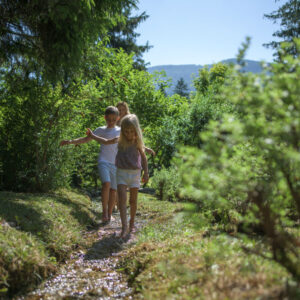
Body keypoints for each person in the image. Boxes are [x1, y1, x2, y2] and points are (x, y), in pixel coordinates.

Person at [60, 106, 120, 223]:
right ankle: (104, 213)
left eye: (114, 119)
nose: (111, 122)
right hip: (103, 161)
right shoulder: (100, 130)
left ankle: (109, 213)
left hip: (116, 164)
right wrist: (70, 141)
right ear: (105, 118)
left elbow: (127, 143)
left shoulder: (120, 131)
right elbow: (85, 139)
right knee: (106, 184)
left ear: (118, 118)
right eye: (109, 119)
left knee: (113, 190)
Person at [115, 114, 149, 238]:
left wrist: (146, 172)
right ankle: (124, 227)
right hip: (121, 173)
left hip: (135, 173)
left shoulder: (137, 142)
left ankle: (132, 223)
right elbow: (106, 141)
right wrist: (92, 136)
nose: (129, 134)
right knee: (122, 200)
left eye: (131, 131)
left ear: (136, 130)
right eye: (126, 132)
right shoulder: (119, 141)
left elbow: (144, 158)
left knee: (133, 201)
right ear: (122, 131)